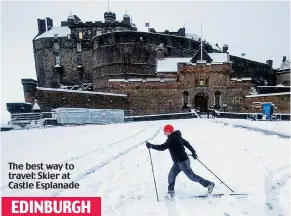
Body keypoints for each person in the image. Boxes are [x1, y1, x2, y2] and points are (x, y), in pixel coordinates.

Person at [146, 124, 215, 197]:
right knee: (171, 175)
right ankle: (171, 190)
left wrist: (151, 146)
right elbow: (186, 143)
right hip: (177, 162)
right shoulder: (177, 137)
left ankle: (209, 184)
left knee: (192, 176)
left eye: (165, 131)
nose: (164, 133)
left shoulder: (171, 139)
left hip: (183, 162)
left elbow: (162, 147)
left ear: (169, 131)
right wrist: (193, 152)